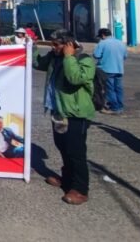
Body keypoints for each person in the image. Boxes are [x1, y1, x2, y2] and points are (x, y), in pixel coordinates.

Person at [34, 30, 95, 205]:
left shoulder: (83, 60)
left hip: (75, 114)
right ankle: (67, 180)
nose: (53, 48)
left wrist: (69, 57)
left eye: (57, 44)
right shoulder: (55, 58)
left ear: (69, 44)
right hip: (58, 112)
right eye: (52, 44)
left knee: (76, 152)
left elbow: (75, 78)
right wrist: (33, 47)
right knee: (62, 146)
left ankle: (81, 189)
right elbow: (38, 64)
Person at [93, 28, 128, 115]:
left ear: (103, 35)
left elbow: (96, 55)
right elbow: (125, 56)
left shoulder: (102, 43)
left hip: (107, 69)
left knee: (109, 89)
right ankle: (120, 106)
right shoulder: (121, 43)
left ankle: (114, 108)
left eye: (100, 37)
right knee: (118, 88)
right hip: (119, 69)